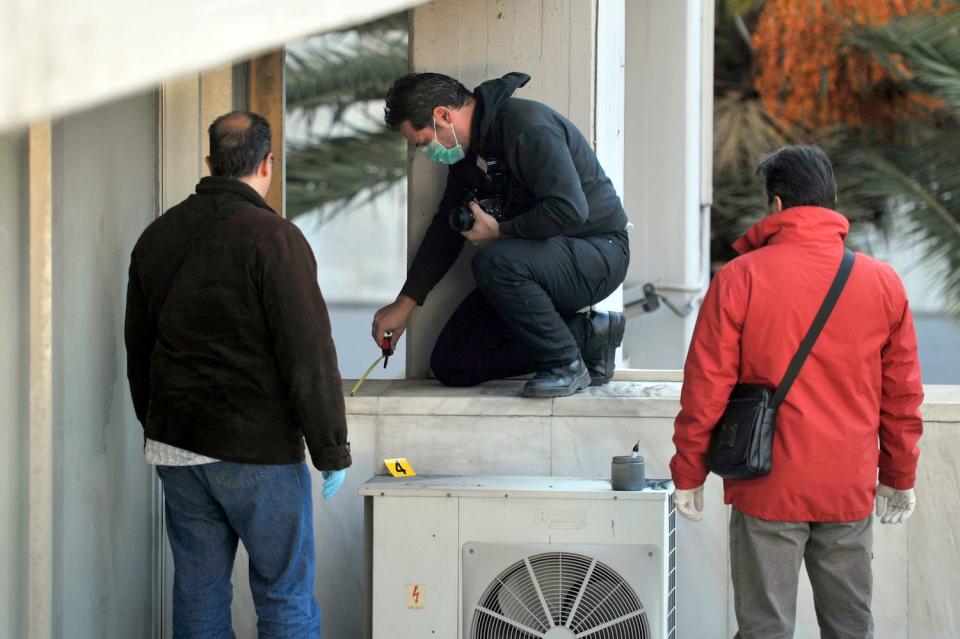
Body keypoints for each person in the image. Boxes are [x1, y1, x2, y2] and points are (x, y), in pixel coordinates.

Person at [670, 145, 923, 639]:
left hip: (767, 483)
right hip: (846, 485)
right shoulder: (883, 282)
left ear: (778, 206)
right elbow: (902, 394)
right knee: (851, 628)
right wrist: (899, 474)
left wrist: (688, 472)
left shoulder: (740, 277)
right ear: (831, 204)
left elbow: (706, 388)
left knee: (764, 629)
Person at [124, 111, 350, 638]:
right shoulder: (275, 238)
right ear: (269, 164)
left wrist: (157, 426)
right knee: (284, 597)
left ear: (209, 164)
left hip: (177, 450)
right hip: (258, 452)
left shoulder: (156, 237)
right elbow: (308, 352)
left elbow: (139, 349)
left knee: (199, 593)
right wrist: (331, 450)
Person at [372, 72, 630, 398]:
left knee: (494, 261)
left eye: (423, 142)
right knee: (454, 362)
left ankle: (564, 364)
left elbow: (569, 210)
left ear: (443, 115)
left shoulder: (526, 127)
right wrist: (404, 304)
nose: (426, 152)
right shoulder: (467, 154)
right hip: (529, 261)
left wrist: (501, 232)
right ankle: (585, 337)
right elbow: (445, 232)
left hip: (598, 252)